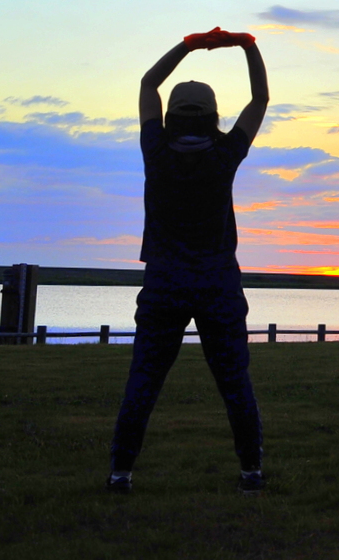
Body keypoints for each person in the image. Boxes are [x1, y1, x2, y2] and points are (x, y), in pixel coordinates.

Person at [108, 28, 269, 495]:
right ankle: (251, 471)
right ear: (214, 116)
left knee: (144, 379)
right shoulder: (224, 155)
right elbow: (260, 98)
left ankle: (121, 473)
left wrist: (190, 44)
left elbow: (147, 85)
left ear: (171, 118)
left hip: (163, 282)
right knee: (234, 380)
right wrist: (246, 45)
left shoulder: (155, 153)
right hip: (218, 282)